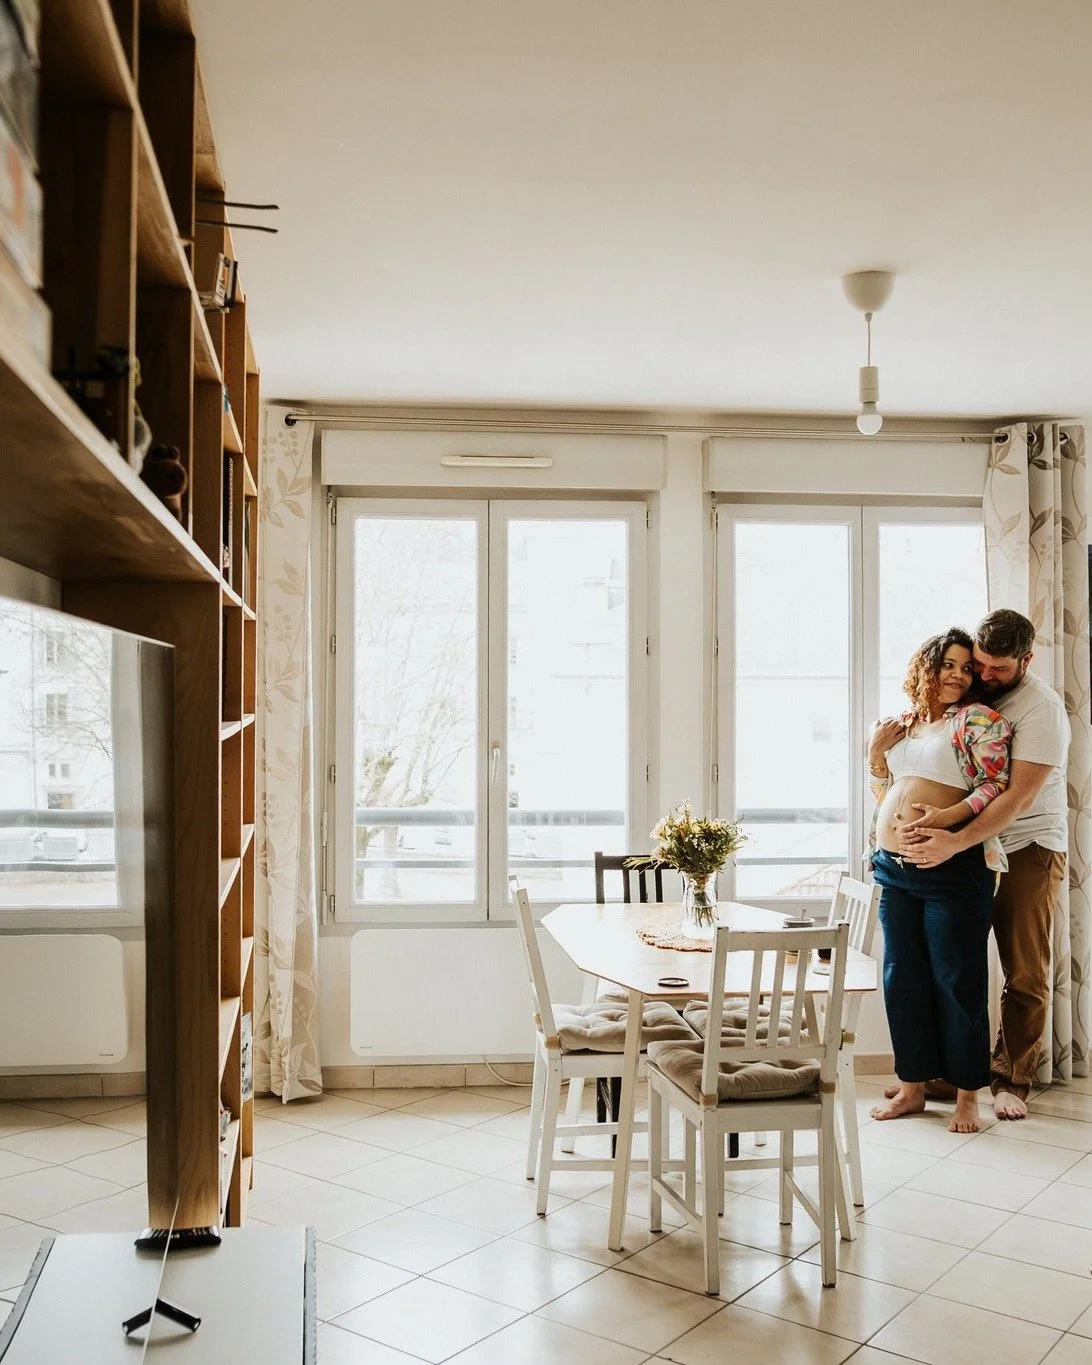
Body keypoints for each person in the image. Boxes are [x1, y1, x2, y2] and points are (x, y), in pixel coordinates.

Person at [898, 609, 1069, 1120]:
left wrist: (954, 840)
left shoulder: (1039, 707)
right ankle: (950, 1071)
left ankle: (1012, 1078)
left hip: (1027, 846)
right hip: (974, 848)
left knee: (1023, 969)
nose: (984, 677)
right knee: (956, 965)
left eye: (997, 669)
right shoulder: (972, 700)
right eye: (979, 666)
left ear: (1026, 660)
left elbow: (1016, 797)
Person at [867, 628, 1012, 1134]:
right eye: (947, 665)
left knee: (958, 980)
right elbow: (886, 788)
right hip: (894, 867)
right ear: (925, 667)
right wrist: (874, 755)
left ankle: (969, 1096)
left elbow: (996, 787)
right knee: (901, 978)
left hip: (952, 866)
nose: (957, 675)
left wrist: (948, 818)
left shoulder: (979, 721)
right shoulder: (904, 725)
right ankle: (912, 1087)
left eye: (965, 668)